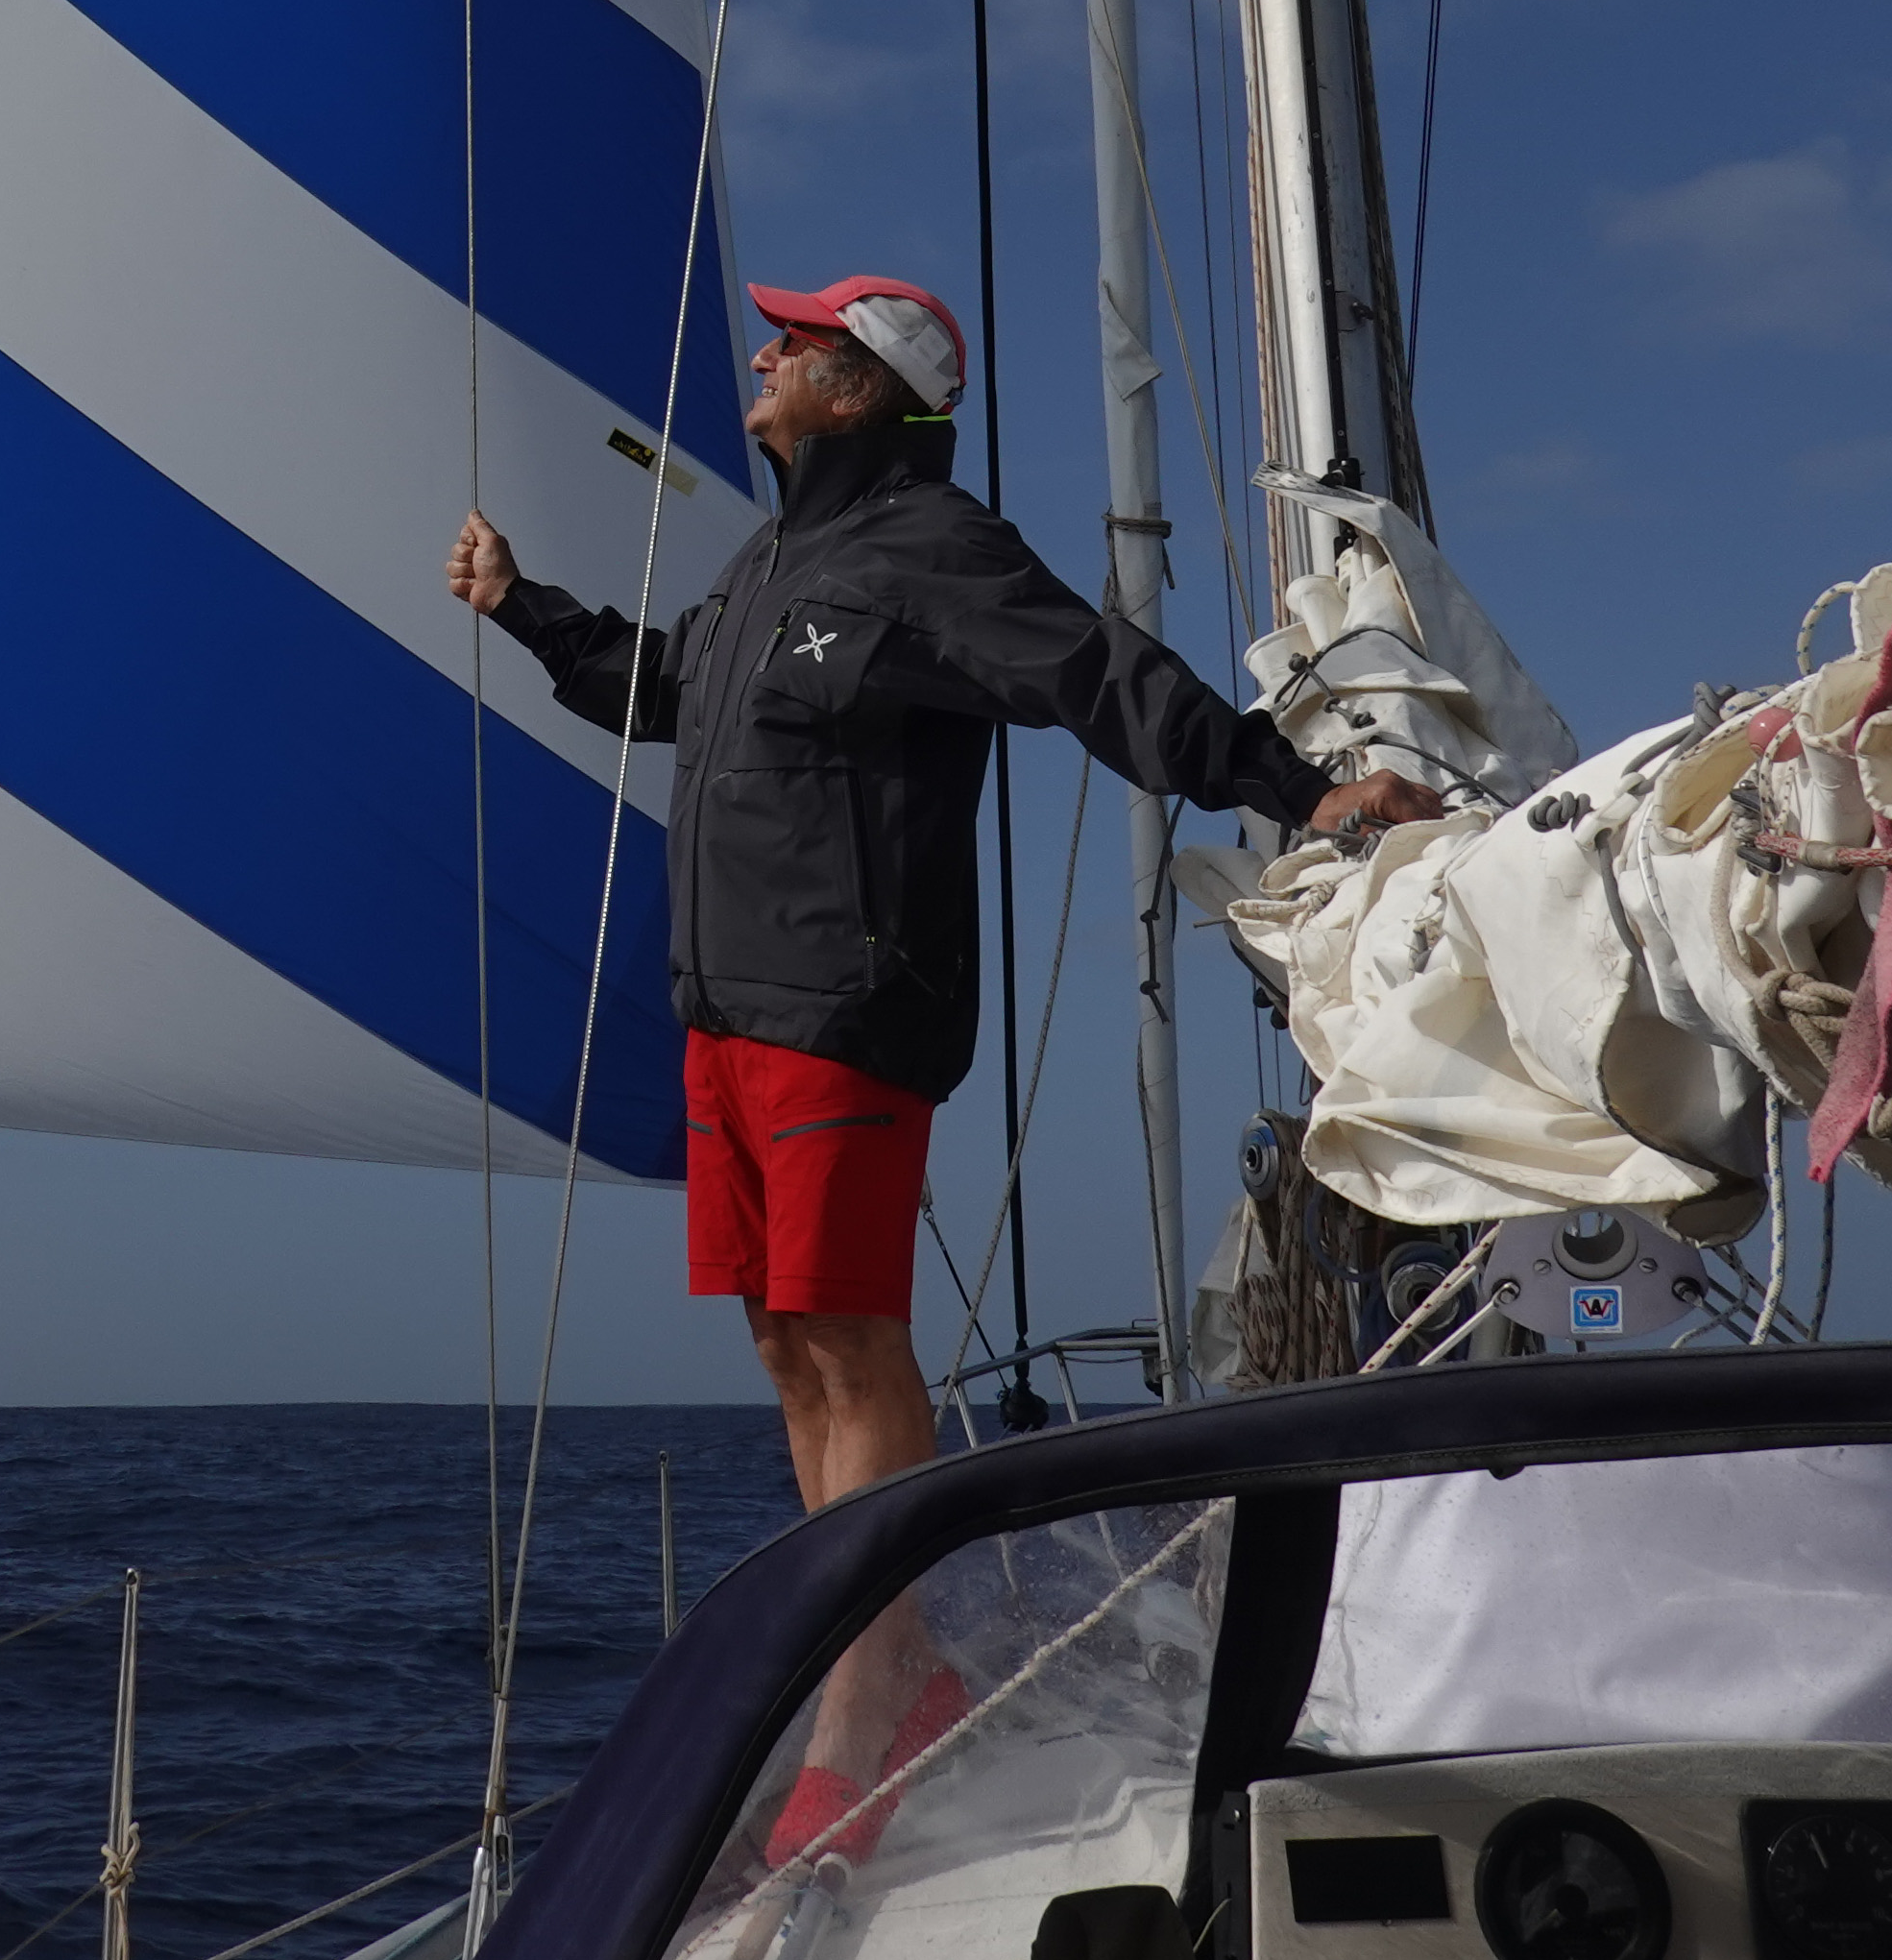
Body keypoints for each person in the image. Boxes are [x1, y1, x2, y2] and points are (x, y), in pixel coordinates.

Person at [445, 273, 1435, 1859]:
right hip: (727, 1014)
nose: (760, 356)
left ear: (861, 391)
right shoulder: (772, 562)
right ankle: (870, 1658)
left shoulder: (933, 549)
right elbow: (661, 692)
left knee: (852, 1339)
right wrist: (524, 606)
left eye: (795, 346)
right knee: (784, 1341)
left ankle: (869, 1692)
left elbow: (1095, 676)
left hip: (847, 1005)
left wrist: (1289, 784)